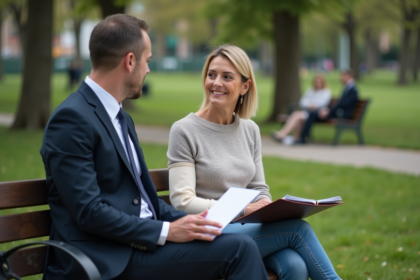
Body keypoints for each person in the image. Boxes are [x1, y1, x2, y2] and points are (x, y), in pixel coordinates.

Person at [40, 15, 268, 280]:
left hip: (141, 246)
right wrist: (167, 232)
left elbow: (148, 203)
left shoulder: (120, 117)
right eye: (147, 61)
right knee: (239, 249)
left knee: (239, 246)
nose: (148, 69)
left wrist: (195, 220)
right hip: (106, 258)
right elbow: (89, 211)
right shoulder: (72, 119)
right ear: (130, 61)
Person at [167, 44, 342, 280]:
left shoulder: (250, 130)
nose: (216, 83)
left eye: (227, 77)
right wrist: (242, 209)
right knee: (298, 231)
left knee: (295, 266)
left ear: (245, 86)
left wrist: (267, 208)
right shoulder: (185, 130)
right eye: (211, 74)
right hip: (209, 232)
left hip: (246, 229)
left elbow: (259, 188)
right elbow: (182, 201)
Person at [297, 69, 359, 144]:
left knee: (313, 114)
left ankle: (302, 138)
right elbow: (341, 104)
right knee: (313, 114)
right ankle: (303, 136)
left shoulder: (353, 90)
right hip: (337, 112)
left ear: (349, 76)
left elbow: (343, 104)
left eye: (343, 76)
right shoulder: (348, 88)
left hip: (342, 115)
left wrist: (328, 111)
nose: (341, 78)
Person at [271, 73, 331, 144]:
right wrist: (310, 104)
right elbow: (302, 102)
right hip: (307, 112)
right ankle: (296, 138)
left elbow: (321, 104)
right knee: (298, 117)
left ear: (323, 82)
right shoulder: (311, 90)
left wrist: (311, 104)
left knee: (296, 115)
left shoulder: (326, 92)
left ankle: (282, 134)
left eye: (319, 82)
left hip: (316, 114)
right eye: (316, 81)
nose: (317, 83)